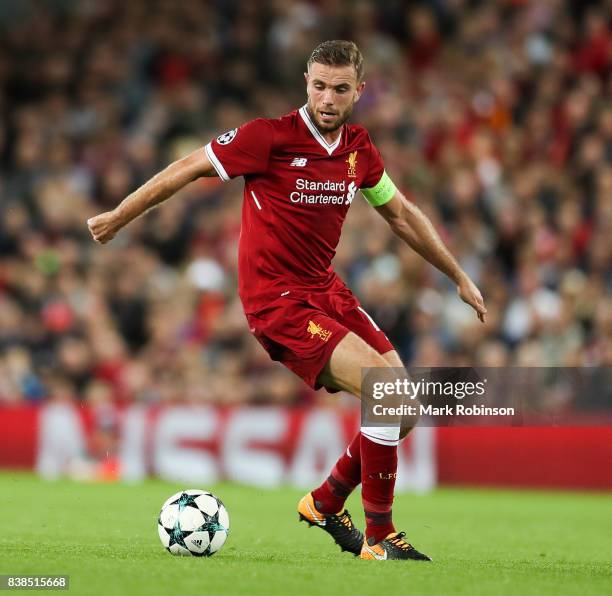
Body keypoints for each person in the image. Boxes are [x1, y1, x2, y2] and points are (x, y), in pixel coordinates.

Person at [88, 40, 487, 561]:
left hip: (326, 289)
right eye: (319, 85)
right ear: (306, 81)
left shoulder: (359, 149)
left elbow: (402, 214)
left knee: (404, 407)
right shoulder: (267, 137)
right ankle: (380, 535)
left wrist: (457, 275)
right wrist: (119, 216)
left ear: (358, 92)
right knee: (385, 390)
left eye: (340, 89)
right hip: (277, 302)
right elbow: (187, 167)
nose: (327, 98)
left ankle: (325, 502)